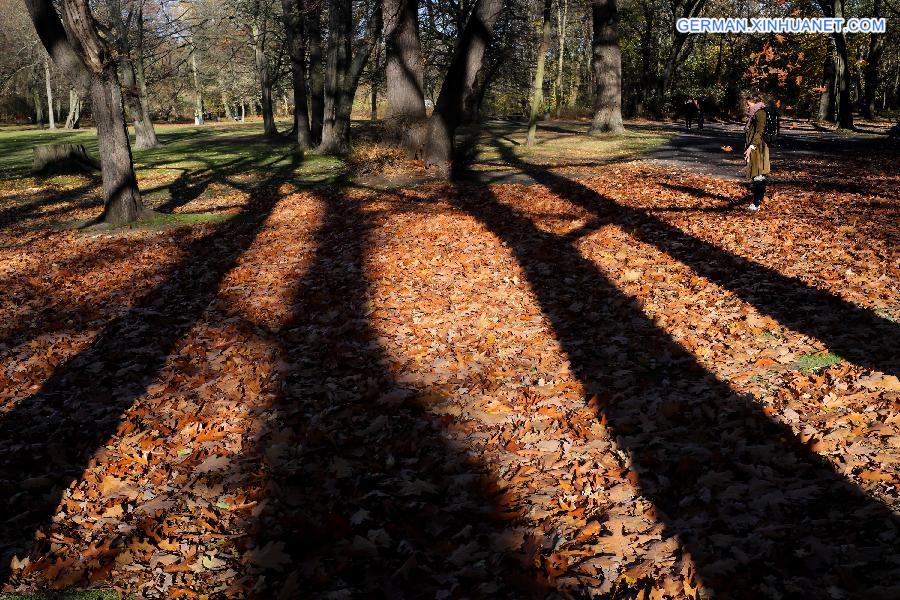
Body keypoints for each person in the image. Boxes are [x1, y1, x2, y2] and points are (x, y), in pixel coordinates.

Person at [743, 93, 771, 212]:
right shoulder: (755, 112)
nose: (747, 107)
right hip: (755, 147)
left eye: (748, 104)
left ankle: (756, 203)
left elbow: (759, 132)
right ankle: (758, 200)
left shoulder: (760, 113)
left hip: (758, 148)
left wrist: (751, 147)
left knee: (758, 173)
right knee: (757, 174)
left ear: (754, 102)